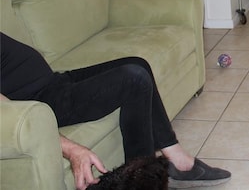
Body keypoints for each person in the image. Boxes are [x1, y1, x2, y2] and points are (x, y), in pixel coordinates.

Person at [0, 32, 231, 190]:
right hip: (43, 102)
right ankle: (140, 180)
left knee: (138, 63)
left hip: (55, 81)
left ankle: (176, 157)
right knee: (133, 79)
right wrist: (71, 149)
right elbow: (8, 110)